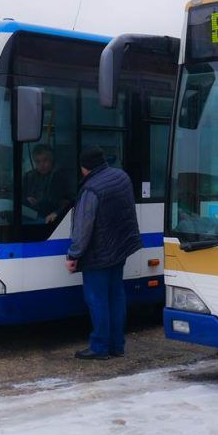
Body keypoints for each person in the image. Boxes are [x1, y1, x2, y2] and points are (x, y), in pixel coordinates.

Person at [65, 146, 142, 360]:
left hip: (98, 253)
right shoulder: (121, 177)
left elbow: (83, 227)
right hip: (120, 248)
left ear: (84, 168)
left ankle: (99, 347)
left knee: (97, 300)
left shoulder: (91, 189)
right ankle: (117, 345)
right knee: (116, 296)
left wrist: (73, 255)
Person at [23, 145, 73, 224]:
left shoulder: (59, 177)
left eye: (45, 160)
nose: (42, 165)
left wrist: (57, 213)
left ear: (51, 160)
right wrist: (27, 200)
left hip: (52, 219)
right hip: (31, 216)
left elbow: (68, 202)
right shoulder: (28, 177)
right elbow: (20, 198)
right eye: (38, 161)